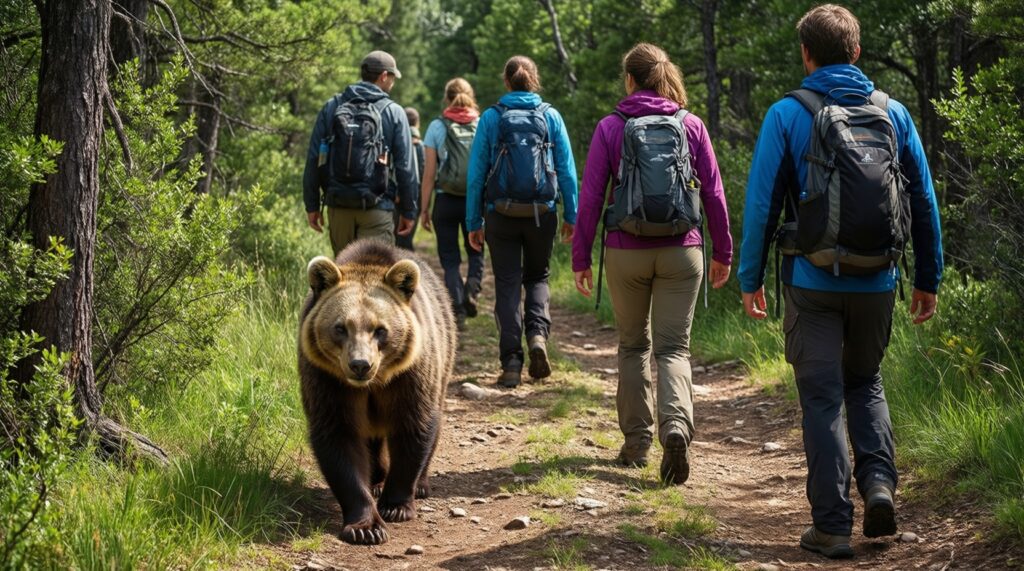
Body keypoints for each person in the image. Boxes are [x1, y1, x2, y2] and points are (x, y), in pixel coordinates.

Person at [737, 4, 943, 559]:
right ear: (856, 52)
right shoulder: (894, 113)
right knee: (866, 382)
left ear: (806, 55)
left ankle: (831, 527)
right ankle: (878, 486)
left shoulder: (787, 113)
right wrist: (928, 278)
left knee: (823, 397)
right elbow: (923, 200)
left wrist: (750, 278)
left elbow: (761, 205)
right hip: (878, 280)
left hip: (812, 281)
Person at [571, 43, 732, 485]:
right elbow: (714, 192)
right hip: (683, 249)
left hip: (626, 250)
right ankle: (675, 426)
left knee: (633, 346)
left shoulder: (611, 127)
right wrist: (723, 251)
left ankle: (637, 443)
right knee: (673, 348)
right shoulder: (691, 124)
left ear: (630, 79)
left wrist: (581, 257)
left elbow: (591, 197)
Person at [465, 55, 578, 388]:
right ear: (535, 80)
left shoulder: (491, 117)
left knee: (507, 283)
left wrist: (473, 221)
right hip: (542, 213)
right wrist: (572, 215)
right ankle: (538, 337)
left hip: (500, 213)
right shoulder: (550, 116)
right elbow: (567, 171)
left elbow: (476, 174)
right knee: (538, 276)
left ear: (506, 81)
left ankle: (512, 363)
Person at [302, 50, 417, 255]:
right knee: (375, 272)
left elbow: (314, 158)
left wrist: (312, 205)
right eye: (393, 77)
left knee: (345, 272)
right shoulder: (394, 112)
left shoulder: (332, 106)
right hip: (378, 207)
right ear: (384, 76)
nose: (393, 82)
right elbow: (405, 167)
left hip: (338, 207)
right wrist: (408, 211)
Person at [419, 78, 484, 331]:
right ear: (471, 96)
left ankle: (457, 307)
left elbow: (429, 174)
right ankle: (472, 289)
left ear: (446, 98)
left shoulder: (437, 126)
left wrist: (424, 208)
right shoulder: (482, 124)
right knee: (476, 250)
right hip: (474, 200)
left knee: (449, 258)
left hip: (445, 200)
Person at [394, 106, 425, 251]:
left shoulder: (397, 141)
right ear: (417, 123)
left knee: (395, 237)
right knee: (407, 237)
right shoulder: (422, 146)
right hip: (416, 196)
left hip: (396, 195)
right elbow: (425, 174)